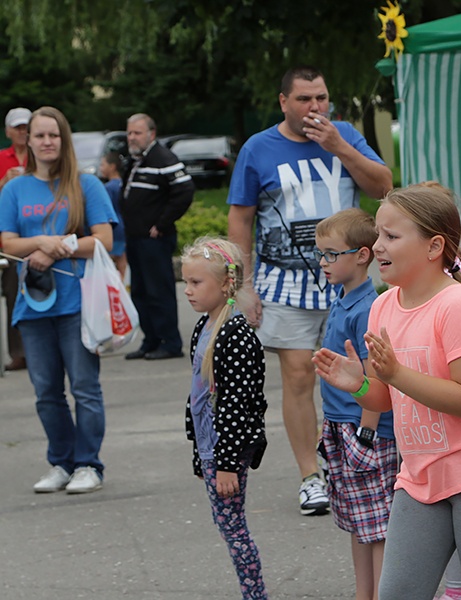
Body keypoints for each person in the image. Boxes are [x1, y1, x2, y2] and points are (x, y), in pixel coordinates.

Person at [312, 183, 461, 599]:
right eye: (378, 234)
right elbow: (388, 399)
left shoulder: (459, 305)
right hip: (420, 475)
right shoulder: (384, 306)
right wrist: (360, 384)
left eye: (391, 235)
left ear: (433, 246)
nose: (378, 245)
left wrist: (397, 374)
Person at [228, 65, 392, 516]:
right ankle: (310, 476)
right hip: (284, 281)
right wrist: (243, 284)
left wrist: (338, 145)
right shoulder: (258, 148)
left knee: (362, 371)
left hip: (351, 280)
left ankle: (359, 456)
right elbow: (240, 218)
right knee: (300, 376)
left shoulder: (343, 136)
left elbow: (382, 185)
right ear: (284, 102)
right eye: (304, 99)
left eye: (321, 98)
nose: (315, 107)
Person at [0, 106, 116, 494]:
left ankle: (88, 464)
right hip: (32, 305)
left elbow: (104, 239)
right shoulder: (15, 189)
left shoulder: (86, 185)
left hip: (78, 303)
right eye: (39, 135)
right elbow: (8, 242)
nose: (47, 142)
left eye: (54, 135)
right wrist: (42, 243)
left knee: (84, 387)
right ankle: (61, 462)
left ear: (63, 139)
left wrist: (59, 248)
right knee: (46, 391)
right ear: (27, 141)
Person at [314, 208, 397, 600]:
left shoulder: (367, 308)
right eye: (321, 254)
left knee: (377, 526)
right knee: (357, 522)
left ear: (362, 255)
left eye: (332, 254)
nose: (324, 262)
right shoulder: (343, 297)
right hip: (341, 425)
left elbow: (374, 378)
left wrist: (365, 432)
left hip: (366, 431)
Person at [182, 237, 268, 600]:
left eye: (196, 283)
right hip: (212, 447)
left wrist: (228, 464)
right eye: (185, 281)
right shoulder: (205, 325)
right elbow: (199, 394)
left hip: (226, 450)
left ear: (226, 283)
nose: (187, 291)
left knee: (234, 529)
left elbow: (237, 404)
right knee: (228, 525)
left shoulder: (235, 334)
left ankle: (255, 595)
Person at [121, 113, 194, 360]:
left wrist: (162, 224)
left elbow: (184, 191)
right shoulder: (135, 161)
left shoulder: (163, 158)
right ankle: (150, 340)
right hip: (135, 238)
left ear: (151, 134)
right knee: (140, 292)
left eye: (137, 133)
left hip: (154, 239)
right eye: (129, 133)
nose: (132, 137)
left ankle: (170, 342)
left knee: (158, 291)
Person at [0, 107, 32, 371]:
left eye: (26, 127)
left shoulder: (41, 156)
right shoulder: (2, 158)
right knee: (12, 295)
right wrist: (4, 183)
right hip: (8, 241)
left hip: (33, 238)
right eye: (18, 127)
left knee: (34, 292)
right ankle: (18, 352)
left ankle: (37, 351)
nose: (22, 132)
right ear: (9, 131)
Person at [99, 152, 127, 280]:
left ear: (112, 166)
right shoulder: (124, 184)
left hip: (114, 229)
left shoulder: (107, 188)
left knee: (109, 261)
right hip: (125, 227)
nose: (100, 168)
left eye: (103, 164)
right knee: (122, 259)